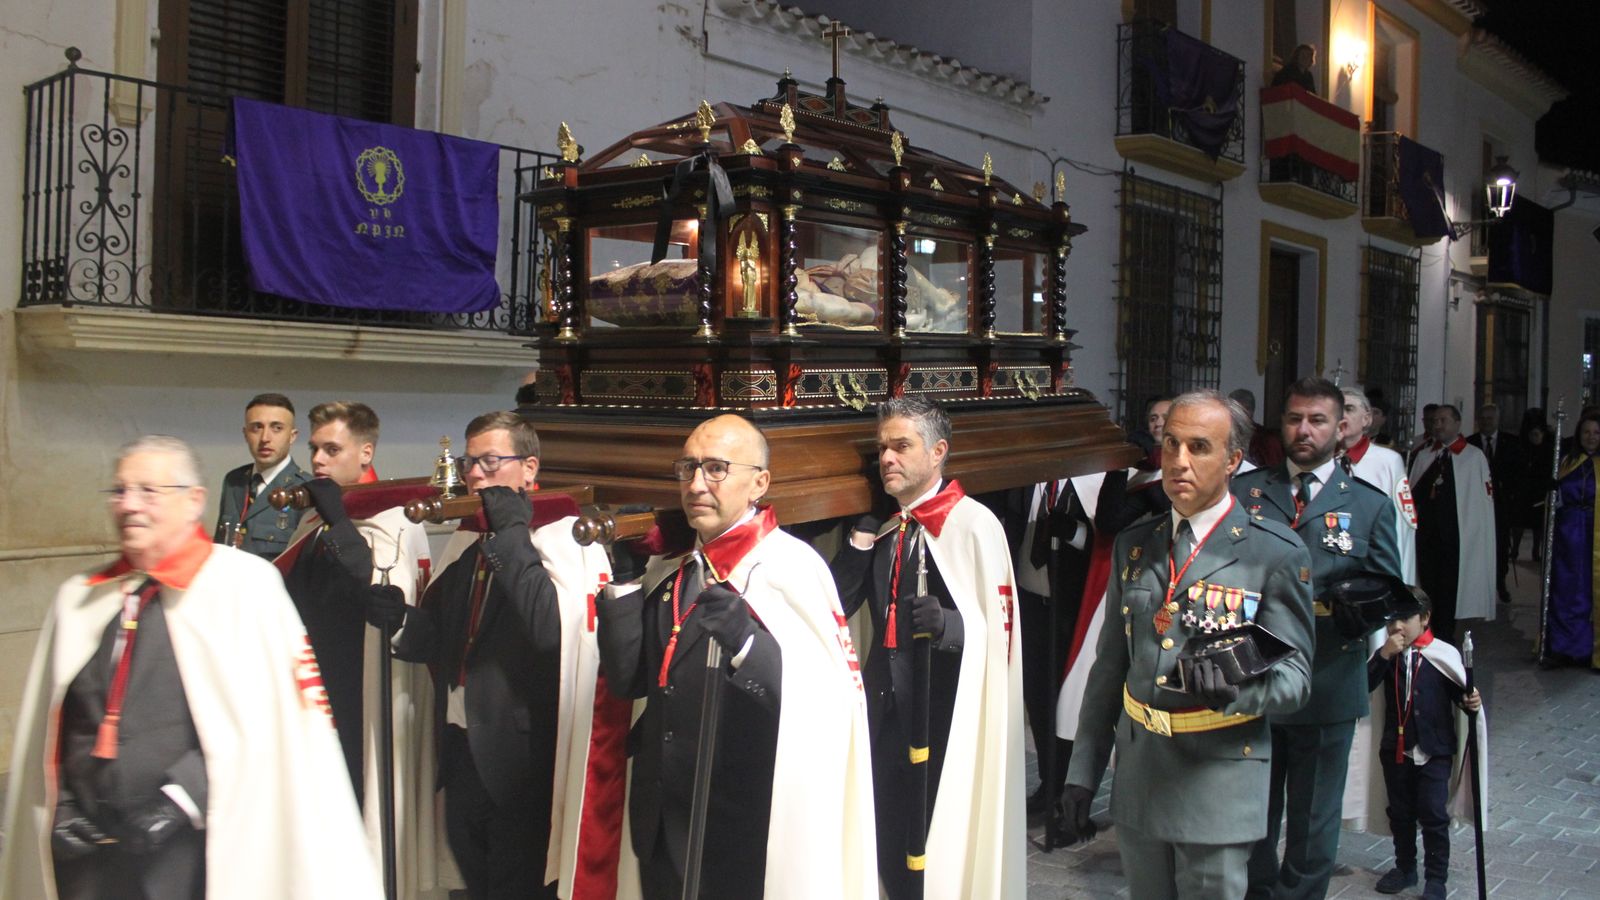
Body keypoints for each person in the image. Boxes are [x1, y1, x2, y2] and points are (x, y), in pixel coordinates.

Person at [0, 436, 381, 900]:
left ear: (193, 501)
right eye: (120, 491)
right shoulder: (81, 597)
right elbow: (56, 724)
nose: (129, 505)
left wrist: (179, 802)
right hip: (91, 861)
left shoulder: (243, 587)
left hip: (196, 853)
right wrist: (60, 804)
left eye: (148, 491)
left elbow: (265, 721)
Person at [596, 415, 875, 899]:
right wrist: (624, 580)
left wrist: (747, 643)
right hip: (661, 822)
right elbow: (629, 680)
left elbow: (828, 703)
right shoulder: (675, 569)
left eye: (716, 468)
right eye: (688, 468)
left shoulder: (791, 567)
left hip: (744, 826)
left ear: (759, 483)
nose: (696, 484)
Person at [1061, 390, 1316, 898]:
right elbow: (1110, 667)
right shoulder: (1136, 544)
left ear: (1233, 460)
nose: (1179, 461)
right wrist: (1083, 770)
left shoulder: (1273, 553)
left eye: (1199, 447)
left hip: (1217, 777)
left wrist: (1238, 690)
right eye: (1171, 444)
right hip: (1141, 775)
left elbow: (1296, 678)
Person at [389, 412, 610, 898]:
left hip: (522, 762)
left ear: (529, 468)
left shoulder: (564, 536)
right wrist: (397, 620)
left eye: (490, 461)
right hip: (461, 747)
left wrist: (511, 532)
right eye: (469, 462)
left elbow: (550, 630)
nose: (475, 475)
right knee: (470, 885)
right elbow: (443, 640)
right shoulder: (470, 539)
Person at [831, 397, 1024, 899]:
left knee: (938, 842)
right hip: (884, 710)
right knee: (886, 837)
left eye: (901, 446)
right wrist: (863, 531)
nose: (887, 458)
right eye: (881, 449)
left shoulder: (975, 525)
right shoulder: (887, 529)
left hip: (947, 711)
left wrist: (951, 626)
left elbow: (1002, 632)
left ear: (938, 452)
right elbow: (839, 603)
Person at [1233, 378, 1404, 900]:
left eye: (1317, 420)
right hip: (1254, 670)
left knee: (1314, 818)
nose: (1304, 430)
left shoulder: (1369, 505)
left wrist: (1357, 613)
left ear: (1341, 427)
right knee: (1252, 809)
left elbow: (1386, 589)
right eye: (1294, 419)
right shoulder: (1245, 492)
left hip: (1328, 674)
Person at [275, 401, 438, 897]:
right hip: (319, 680)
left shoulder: (391, 518)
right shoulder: (322, 515)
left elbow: (372, 584)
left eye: (332, 449)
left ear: (365, 453)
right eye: (314, 449)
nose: (318, 460)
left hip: (364, 684)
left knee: (359, 796)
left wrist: (337, 520)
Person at [982, 476, 1091, 817]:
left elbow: (1100, 541)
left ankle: (1070, 791)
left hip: (1068, 610)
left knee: (1066, 701)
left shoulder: (1089, 480)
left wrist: (1072, 530)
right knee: (1037, 698)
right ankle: (1049, 782)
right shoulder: (1027, 481)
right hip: (1028, 605)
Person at [1367, 589, 1485, 900]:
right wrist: (1384, 655)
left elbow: (1458, 692)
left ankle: (1436, 878)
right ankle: (1405, 867)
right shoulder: (1387, 655)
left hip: (1435, 750)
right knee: (1400, 812)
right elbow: (1364, 683)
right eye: (1391, 620)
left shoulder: (1443, 654)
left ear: (1424, 618)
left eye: (1405, 618)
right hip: (1396, 750)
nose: (1397, 627)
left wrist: (1469, 701)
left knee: (1433, 813)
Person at [1407, 405, 1497, 641]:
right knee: (1427, 586)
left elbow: (1481, 503)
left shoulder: (1473, 457)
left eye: (1443, 420)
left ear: (1458, 423)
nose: (1437, 425)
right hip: (1427, 536)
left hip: (1456, 537)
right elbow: (1412, 493)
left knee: (1449, 589)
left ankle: (1445, 636)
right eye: (1435, 420)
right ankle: (1427, 633)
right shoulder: (1425, 455)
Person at [213, 392, 310, 559]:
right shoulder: (234, 481)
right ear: (245, 434)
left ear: (292, 436)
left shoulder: (306, 489)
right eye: (257, 427)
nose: (265, 438)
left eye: (277, 428)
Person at [1343, 387, 1418, 583]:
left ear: (1366, 419)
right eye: (1336, 409)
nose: (1341, 415)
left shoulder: (1388, 461)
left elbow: (1403, 524)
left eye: (1349, 409)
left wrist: (1402, 585)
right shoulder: (1322, 459)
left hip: (1372, 565)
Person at [1545, 414, 1600, 669]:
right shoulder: (1568, 462)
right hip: (1567, 534)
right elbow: (1556, 501)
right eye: (1586, 432)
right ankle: (1561, 647)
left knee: (1589, 591)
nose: (1591, 437)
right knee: (1564, 589)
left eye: (1596, 432)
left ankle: (1588, 649)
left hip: (1594, 535)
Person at [1467, 403, 1523, 603]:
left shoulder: (1512, 443)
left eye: (1490, 418)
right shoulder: (1469, 443)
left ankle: (1500, 581)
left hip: (1501, 504)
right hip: (1476, 504)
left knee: (1500, 545)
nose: (1486, 422)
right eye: (1483, 418)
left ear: (1498, 420)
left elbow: (1518, 472)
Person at [1512, 409, 1553, 561]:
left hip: (1538, 487)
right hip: (1524, 487)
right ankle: (1516, 549)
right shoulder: (1522, 445)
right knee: (1520, 521)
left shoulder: (1547, 447)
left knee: (1538, 522)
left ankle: (1535, 550)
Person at [1230, 388, 1286, 470]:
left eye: (1246, 409)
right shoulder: (1224, 435)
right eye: (1236, 410)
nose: (1241, 414)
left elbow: (1276, 472)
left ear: (1251, 411)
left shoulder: (1267, 440)